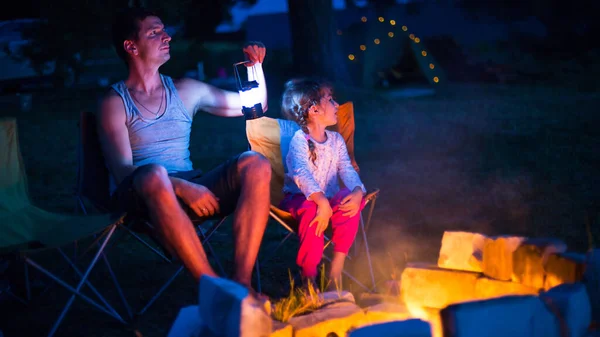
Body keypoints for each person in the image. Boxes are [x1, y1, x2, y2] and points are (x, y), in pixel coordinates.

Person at [96, 7, 271, 293]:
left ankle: (241, 285)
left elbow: (255, 107)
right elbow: (124, 172)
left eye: (165, 30)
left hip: (192, 184)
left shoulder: (186, 90)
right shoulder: (114, 103)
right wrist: (178, 186)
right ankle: (213, 288)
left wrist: (255, 67)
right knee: (153, 174)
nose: (167, 37)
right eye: (154, 32)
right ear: (131, 46)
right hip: (142, 196)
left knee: (256, 163)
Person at [279, 78, 366, 290]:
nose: (337, 105)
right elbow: (301, 174)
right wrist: (321, 202)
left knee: (349, 200)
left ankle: (336, 266)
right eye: (330, 100)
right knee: (311, 210)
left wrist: (357, 191)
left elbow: (346, 168)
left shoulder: (336, 140)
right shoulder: (299, 140)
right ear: (314, 110)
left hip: (328, 199)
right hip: (301, 199)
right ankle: (308, 277)